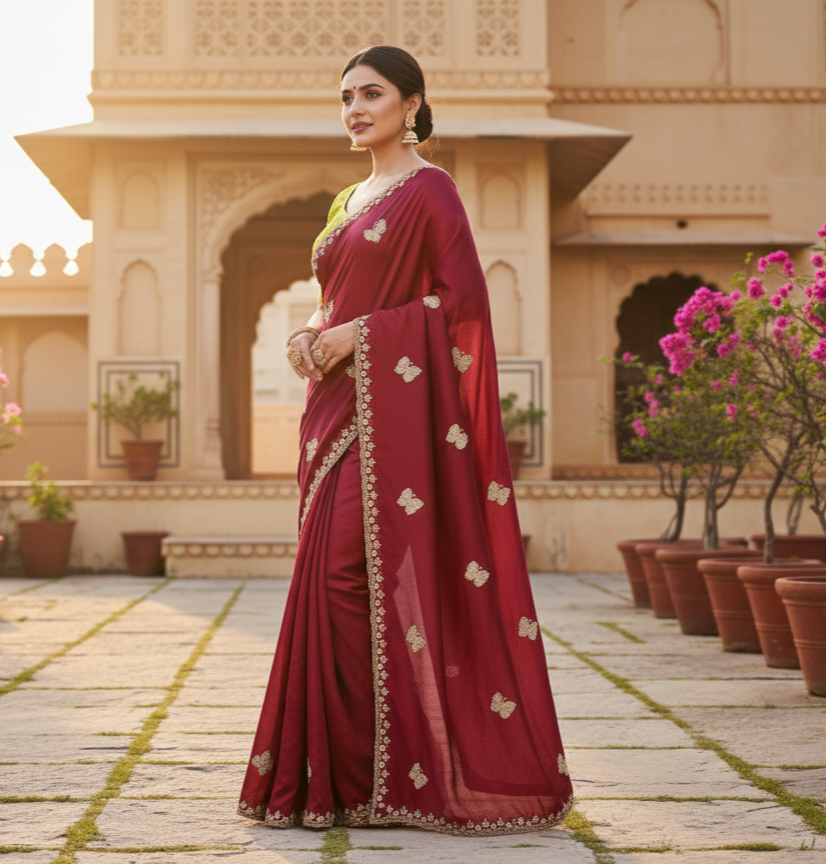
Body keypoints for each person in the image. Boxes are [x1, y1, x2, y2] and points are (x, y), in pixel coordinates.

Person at [238, 45, 573, 836]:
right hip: (331, 415)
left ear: (412, 105)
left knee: (343, 578)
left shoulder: (432, 193)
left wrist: (363, 335)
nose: (355, 108)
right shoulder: (349, 199)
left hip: (390, 419)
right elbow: (335, 302)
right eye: (346, 96)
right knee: (327, 582)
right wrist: (313, 335)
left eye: (372, 94)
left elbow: (458, 309)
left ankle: (384, 773)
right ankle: (349, 777)